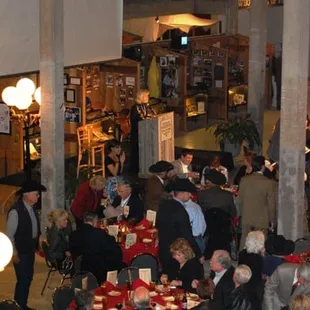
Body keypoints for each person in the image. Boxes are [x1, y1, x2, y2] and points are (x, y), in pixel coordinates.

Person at [6, 180, 46, 310]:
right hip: (21, 252)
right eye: (36, 194)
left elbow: (34, 227)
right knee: (23, 280)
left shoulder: (31, 208)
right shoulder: (15, 212)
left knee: (27, 279)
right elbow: (9, 236)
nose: (38, 196)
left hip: (29, 250)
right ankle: (19, 306)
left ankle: (22, 304)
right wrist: (14, 254)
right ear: (27, 195)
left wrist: (38, 240)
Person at [156, 178, 203, 270]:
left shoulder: (163, 205)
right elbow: (187, 236)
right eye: (188, 193)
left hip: (164, 251)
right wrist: (199, 254)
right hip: (176, 254)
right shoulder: (180, 211)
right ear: (181, 194)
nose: (191, 196)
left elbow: (158, 226)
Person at [69, 212, 123, 284]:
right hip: (99, 271)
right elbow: (115, 250)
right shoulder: (100, 234)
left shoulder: (73, 235)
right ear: (95, 221)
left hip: (80, 270)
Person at [238, 156, 277, 249]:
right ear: (263, 167)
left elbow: (240, 200)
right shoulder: (269, 183)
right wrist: (272, 220)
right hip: (262, 218)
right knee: (261, 242)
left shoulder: (244, 180)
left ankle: (242, 259)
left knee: (245, 239)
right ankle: (259, 261)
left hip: (247, 216)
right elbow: (271, 204)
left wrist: (241, 214)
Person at [130, 89, 154, 174]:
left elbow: (146, 115)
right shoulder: (134, 107)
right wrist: (144, 119)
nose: (148, 97)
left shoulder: (145, 106)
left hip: (144, 133)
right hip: (137, 133)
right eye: (146, 96)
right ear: (142, 97)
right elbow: (135, 119)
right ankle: (134, 170)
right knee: (136, 152)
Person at [238, 231, 265, 304]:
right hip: (254, 288)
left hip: (243, 284)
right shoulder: (258, 259)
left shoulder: (242, 253)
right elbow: (261, 274)